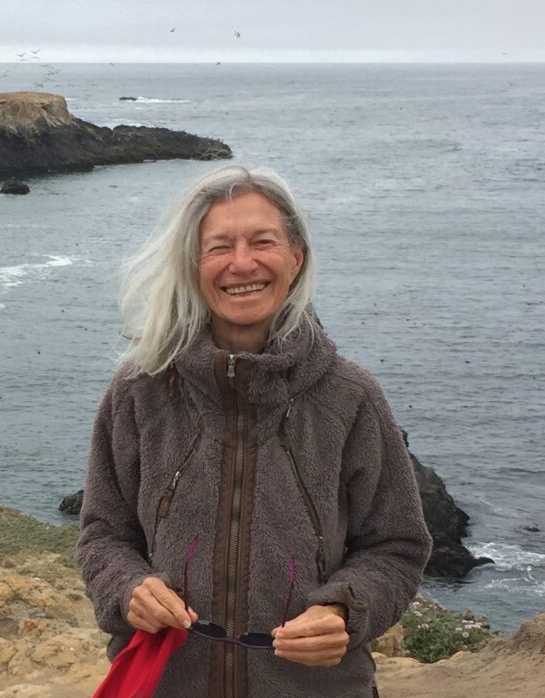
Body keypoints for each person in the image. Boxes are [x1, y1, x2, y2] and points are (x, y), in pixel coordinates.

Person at [76, 164, 432, 697]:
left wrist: (346, 608)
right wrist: (127, 588)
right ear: (193, 265)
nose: (242, 263)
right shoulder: (139, 390)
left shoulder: (350, 395)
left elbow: (398, 544)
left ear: (296, 257)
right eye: (219, 246)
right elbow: (103, 534)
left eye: (262, 241)